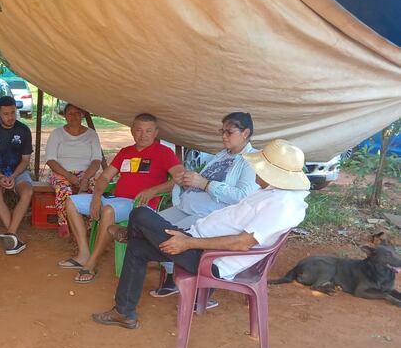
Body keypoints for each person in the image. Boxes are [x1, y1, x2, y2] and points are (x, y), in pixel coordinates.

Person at [91, 139, 310, 330]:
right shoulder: (272, 194)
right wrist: (189, 238)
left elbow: (242, 243)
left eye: (259, 167)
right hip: (197, 241)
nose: (255, 171)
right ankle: (124, 312)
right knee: (138, 247)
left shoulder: (281, 205)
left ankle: (131, 234)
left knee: (140, 214)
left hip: (209, 258)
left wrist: (188, 243)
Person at [130, 112, 259, 298]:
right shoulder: (222, 155)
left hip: (209, 217)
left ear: (245, 133)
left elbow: (243, 197)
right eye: (221, 131)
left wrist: (205, 184)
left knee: (159, 234)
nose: (223, 136)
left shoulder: (251, 160)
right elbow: (203, 181)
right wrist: (186, 181)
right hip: (187, 207)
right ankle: (168, 270)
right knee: (146, 225)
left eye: (228, 132)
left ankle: (178, 277)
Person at [59, 113, 184, 284]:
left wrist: (153, 190)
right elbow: (104, 178)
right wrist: (96, 197)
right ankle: (83, 254)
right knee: (71, 201)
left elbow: (179, 177)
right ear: (132, 131)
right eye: (139, 130)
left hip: (139, 205)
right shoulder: (126, 152)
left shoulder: (164, 152)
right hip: (115, 200)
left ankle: (92, 262)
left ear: (156, 133)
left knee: (109, 210)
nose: (143, 135)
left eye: (148, 131)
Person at [0, 96, 33, 255]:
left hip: (18, 171)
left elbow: (25, 161)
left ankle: (11, 234)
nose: (10, 117)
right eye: (5, 114)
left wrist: (13, 175)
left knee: (27, 192)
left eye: (13, 112)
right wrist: (0, 176)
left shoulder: (23, 130)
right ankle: (13, 236)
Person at [45, 103, 102, 238]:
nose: (74, 116)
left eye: (77, 113)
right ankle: (63, 223)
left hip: (85, 173)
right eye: (70, 113)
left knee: (93, 188)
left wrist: (86, 178)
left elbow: (96, 160)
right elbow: (50, 160)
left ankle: (90, 224)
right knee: (64, 188)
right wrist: (68, 176)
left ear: (82, 114)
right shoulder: (57, 133)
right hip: (61, 172)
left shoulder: (91, 135)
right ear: (65, 116)